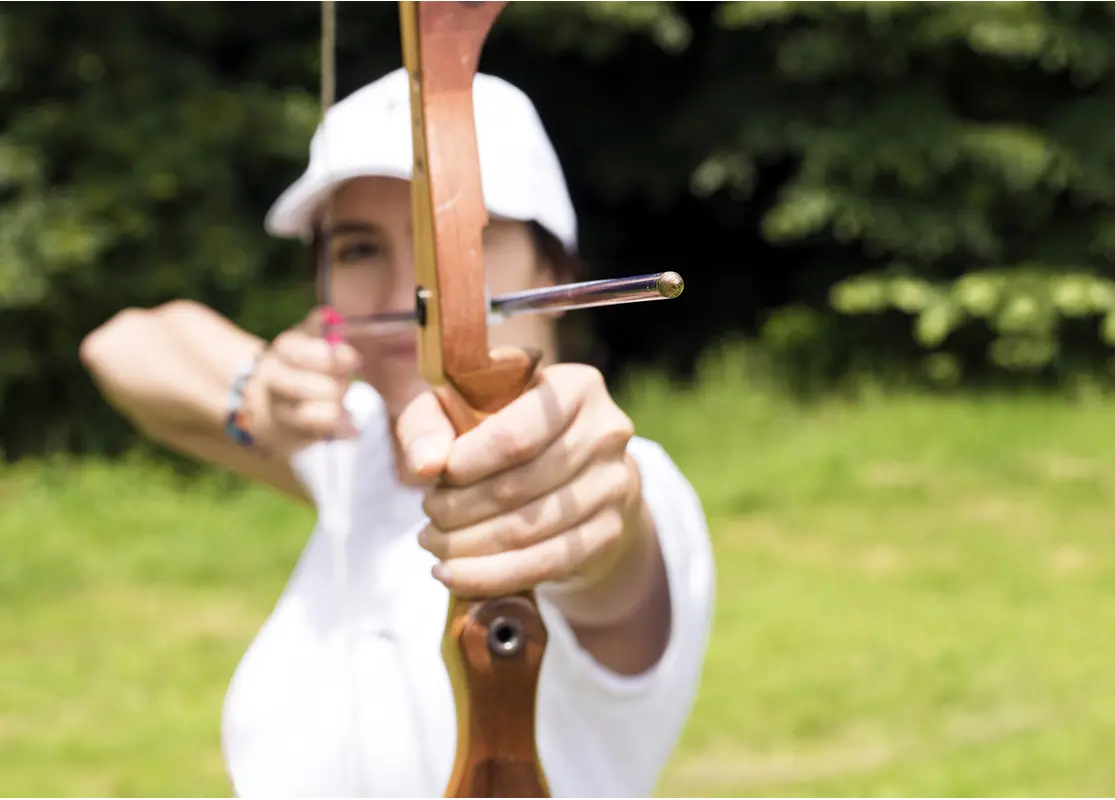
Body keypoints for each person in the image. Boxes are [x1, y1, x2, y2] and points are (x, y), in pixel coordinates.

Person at [79, 68, 715, 797]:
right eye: (357, 249)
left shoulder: (623, 473)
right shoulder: (359, 453)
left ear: (553, 268)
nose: (406, 296)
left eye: (454, 240)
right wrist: (255, 389)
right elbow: (122, 344)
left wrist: (582, 506)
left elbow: (606, 543)